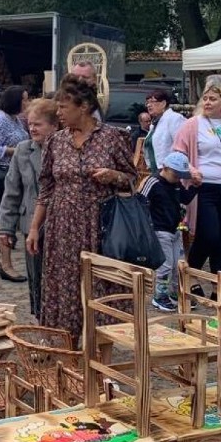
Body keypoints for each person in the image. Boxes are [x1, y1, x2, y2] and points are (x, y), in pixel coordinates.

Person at [26, 75, 136, 343]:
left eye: (64, 107)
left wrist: (113, 176)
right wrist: (34, 228)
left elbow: (132, 178)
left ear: (84, 107)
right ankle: (66, 341)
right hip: (62, 225)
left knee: (96, 284)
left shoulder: (112, 138)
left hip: (98, 224)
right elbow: (47, 188)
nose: (59, 113)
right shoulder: (56, 141)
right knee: (63, 284)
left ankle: (97, 342)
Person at [171, 80, 221, 300]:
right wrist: (191, 170)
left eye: (212, 99)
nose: (207, 102)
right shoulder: (192, 125)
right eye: (205, 98)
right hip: (204, 187)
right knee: (209, 235)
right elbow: (178, 153)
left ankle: (220, 288)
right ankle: (190, 274)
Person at [0, 98, 59, 312]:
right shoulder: (23, 150)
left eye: (38, 124)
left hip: (60, 223)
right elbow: (12, 192)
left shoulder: (65, 150)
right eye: (30, 124)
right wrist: (6, 228)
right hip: (31, 223)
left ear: (54, 125)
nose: (32, 128)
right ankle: (40, 317)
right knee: (37, 277)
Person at [140, 151, 199, 311]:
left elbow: (184, 198)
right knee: (165, 266)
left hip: (175, 229)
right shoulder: (153, 182)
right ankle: (160, 295)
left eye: (181, 175)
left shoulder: (176, 184)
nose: (178, 178)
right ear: (165, 168)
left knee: (178, 264)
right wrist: (146, 228)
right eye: (175, 174)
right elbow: (140, 202)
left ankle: (176, 293)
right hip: (159, 230)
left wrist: (195, 186)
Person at [0, 86, 29, 225]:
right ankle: (4, 243)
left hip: (13, 170)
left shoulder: (14, 119)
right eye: (24, 100)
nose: (27, 103)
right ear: (15, 101)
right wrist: (16, 150)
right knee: (6, 216)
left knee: (10, 216)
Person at [143, 88, 185, 173]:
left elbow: (181, 147)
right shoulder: (154, 123)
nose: (148, 105)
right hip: (157, 171)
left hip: (171, 172)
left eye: (152, 102)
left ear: (163, 103)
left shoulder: (174, 118)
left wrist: (172, 168)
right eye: (147, 102)